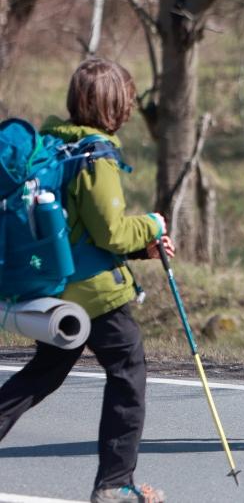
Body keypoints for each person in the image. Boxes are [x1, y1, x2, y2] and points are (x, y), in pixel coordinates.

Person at [0, 58, 174, 503]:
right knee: (128, 374)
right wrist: (153, 226)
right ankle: (115, 484)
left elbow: (78, 228)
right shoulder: (98, 156)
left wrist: (141, 250)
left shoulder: (55, 145)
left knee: (43, 373)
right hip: (95, 294)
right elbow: (110, 231)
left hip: (58, 286)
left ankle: (116, 482)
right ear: (116, 106)